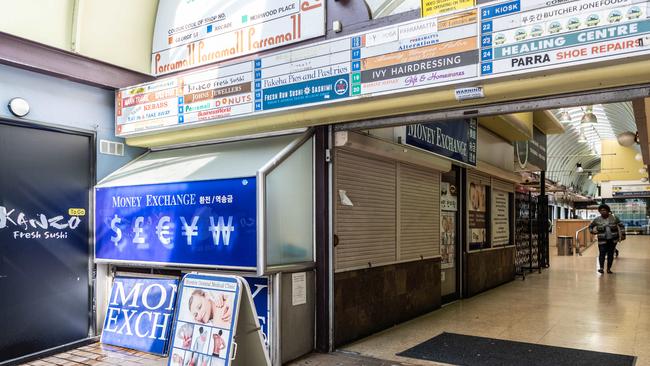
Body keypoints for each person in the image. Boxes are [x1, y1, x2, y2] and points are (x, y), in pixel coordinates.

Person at [589, 204, 624, 274]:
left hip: (613, 240)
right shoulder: (597, 219)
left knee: (610, 254)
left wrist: (623, 235)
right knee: (602, 253)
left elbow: (621, 225)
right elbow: (590, 226)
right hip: (602, 240)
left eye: (604, 210)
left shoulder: (614, 218)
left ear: (608, 211)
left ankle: (608, 269)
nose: (603, 212)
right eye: (601, 210)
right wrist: (592, 231)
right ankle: (601, 268)